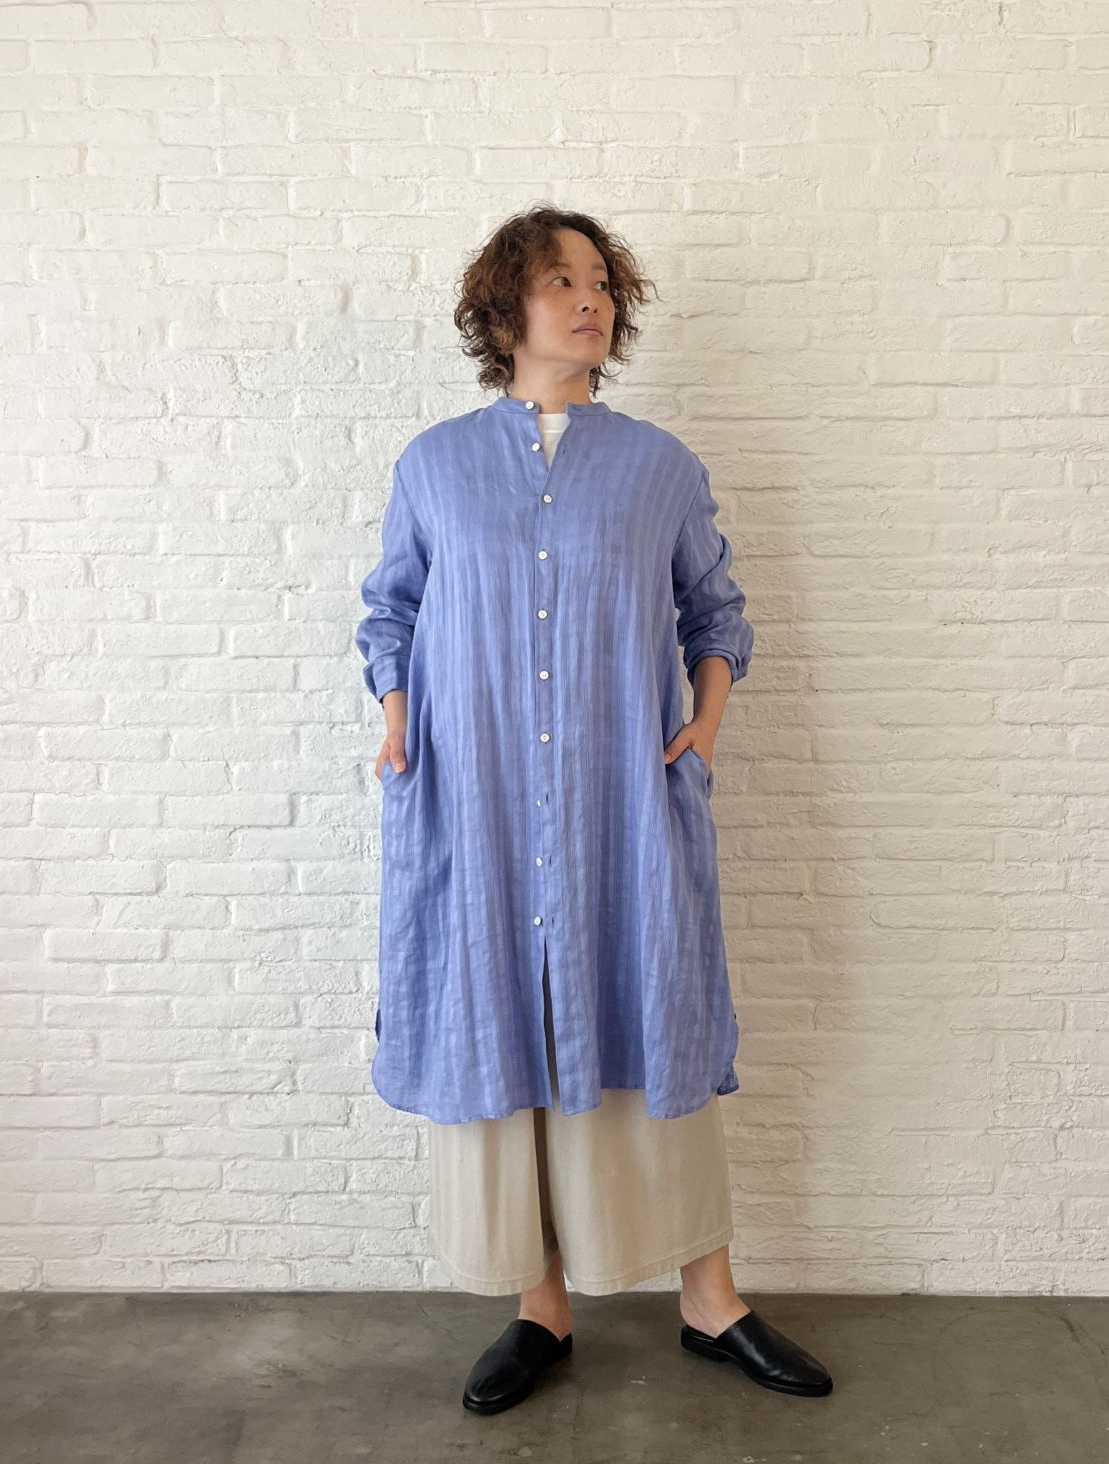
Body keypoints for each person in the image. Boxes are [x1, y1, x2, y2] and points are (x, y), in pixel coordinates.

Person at [355, 204, 832, 1413]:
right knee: (502, 1022)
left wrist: (702, 727)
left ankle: (709, 1302)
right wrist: (399, 714)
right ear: (503, 308)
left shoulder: (657, 466)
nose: (589, 302)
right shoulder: (434, 465)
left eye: (602, 285)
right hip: (477, 804)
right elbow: (390, 609)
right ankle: (540, 1309)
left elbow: (714, 613)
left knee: (647, 1014)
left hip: (621, 804)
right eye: (560, 282)